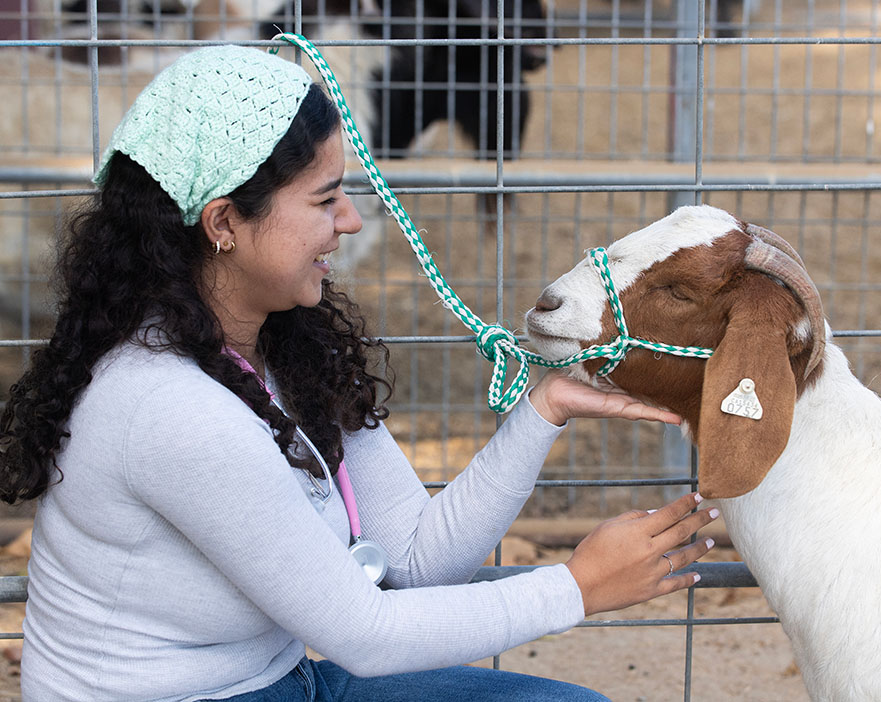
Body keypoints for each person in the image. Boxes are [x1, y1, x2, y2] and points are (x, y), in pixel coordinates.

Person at [0, 45, 719, 702]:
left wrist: (543, 410)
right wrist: (576, 587)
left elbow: (413, 559)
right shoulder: (167, 407)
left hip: (279, 681)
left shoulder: (283, 348)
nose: (349, 219)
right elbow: (368, 635)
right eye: (323, 199)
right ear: (223, 223)